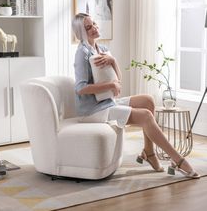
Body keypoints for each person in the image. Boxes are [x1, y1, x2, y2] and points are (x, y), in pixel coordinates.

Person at [72, 13, 200, 179]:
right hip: (92, 111)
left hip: (107, 102)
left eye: (94, 24)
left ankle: (149, 152)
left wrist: (113, 61)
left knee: (148, 101)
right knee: (146, 116)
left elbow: (117, 80)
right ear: (80, 32)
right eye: (88, 27)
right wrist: (111, 86)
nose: (94, 28)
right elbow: (80, 88)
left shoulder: (101, 49)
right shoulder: (81, 53)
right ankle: (178, 160)